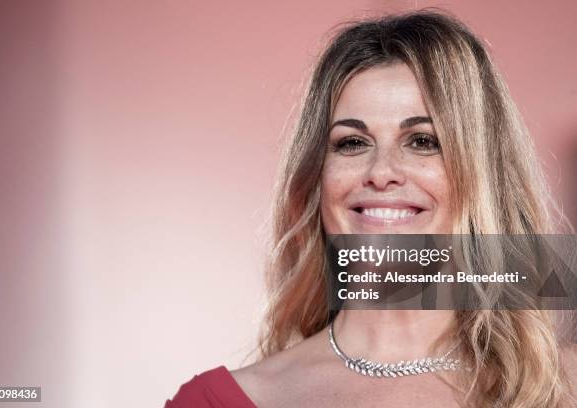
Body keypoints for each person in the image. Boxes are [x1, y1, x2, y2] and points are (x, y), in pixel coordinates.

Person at [165, 9, 576, 407]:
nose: (381, 173)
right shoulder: (217, 401)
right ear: (316, 178)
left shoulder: (564, 387)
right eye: (351, 143)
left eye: (422, 141)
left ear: (483, 176)